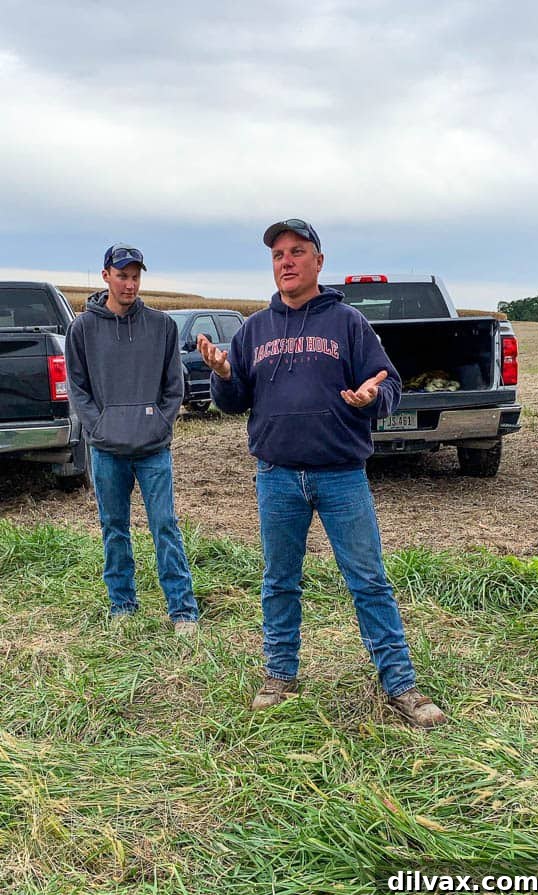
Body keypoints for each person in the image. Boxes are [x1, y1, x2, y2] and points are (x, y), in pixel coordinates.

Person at [197, 219, 446, 728]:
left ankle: (401, 686)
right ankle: (279, 675)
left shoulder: (348, 323)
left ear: (318, 262)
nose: (285, 261)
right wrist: (222, 374)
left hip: (340, 476)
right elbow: (233, 401)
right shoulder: (254, 329)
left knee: (369, 581)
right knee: (279, 581)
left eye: (297, 251)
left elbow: (389, 383)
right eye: (277, 255)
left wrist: (374, 396)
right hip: (277, 476)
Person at [65, 243, 199, 636]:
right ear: (106, 275)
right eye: (122, 275)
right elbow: (78, 387)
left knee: (165, 525)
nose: (130, 283)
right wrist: (99, 427)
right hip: (107, 450)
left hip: (153, 449)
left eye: (136, 275)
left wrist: (160, 423)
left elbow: (174, 388)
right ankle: (122, 605)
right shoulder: (82, 328)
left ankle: (182, 611)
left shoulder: (162, 326)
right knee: (114, 527)